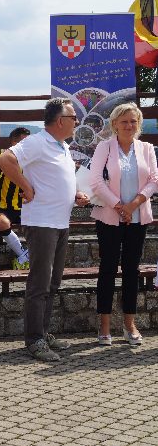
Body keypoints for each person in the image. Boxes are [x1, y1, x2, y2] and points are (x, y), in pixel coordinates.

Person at [0, 97, 89, 361]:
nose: (77, 122)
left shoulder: (62, 146)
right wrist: (26, 187)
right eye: (73, 118)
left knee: (52, 282)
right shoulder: (38, 141)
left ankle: (43, 333)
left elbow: (57, 180)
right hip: (42, 223)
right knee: (40, 283)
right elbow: (5, 159)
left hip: (59, 222)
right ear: (60, 121)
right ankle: (34, 340)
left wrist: (76, 194)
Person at [89, 102, 158, 346]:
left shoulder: (146, 148)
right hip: (109, 218)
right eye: (124, 121)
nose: (129, 125)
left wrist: (132, 206)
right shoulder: (104, 147)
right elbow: (96, 181)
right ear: (115, 124)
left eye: (133, 121)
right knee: (107, 269)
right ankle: (105, 326)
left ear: (138, 124)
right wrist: (119, 206)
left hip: (137, 218)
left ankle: (129, 325)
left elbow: (154, 180)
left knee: (132, 271)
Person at [0, 127, 31, 269]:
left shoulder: (30, 161)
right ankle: (23, 256)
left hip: (24, 207)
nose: (27, 146)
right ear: (14, 143)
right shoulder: (3, 160)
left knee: (45, 224)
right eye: (24, 142)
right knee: (2, 223)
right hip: (3, 207)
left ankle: (25, 257)